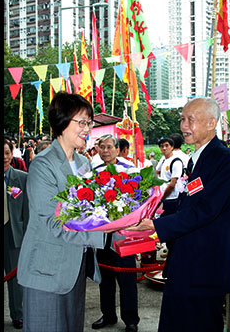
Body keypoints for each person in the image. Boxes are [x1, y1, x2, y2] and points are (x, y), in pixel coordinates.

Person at [127, 97, 230, 332]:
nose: (183, 126)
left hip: (206, 264)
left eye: (191, 119)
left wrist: (157, 226)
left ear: (211, 123)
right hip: (187, 258)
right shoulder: (196, 159)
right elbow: (189, 204)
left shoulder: (224, 159)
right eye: (182, 119)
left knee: (200, 323)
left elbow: (206, 210)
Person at [17, 92, 106, 332]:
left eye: (90, 122)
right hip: (46, 272)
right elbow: (53, 223)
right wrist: (105, 232)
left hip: (74, 269)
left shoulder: (84, 164)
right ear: (62, 121)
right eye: (83, 122)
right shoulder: (43, 165)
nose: (88, 128)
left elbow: (92, 211)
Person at [91, 134, 139, 332]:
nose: (105, 151)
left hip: (123, 234)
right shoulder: (94, 172)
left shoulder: (130, 170)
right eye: (102, 147)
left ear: (118, 150)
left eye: (109, 147)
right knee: (105, 278)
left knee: (127, 279)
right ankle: (108, 314)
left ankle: (131, 320)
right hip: (102, 235)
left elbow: (140, 200)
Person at [4, 139, 30, 329]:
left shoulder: (22, 178)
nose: (4, 158)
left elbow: (27, 211)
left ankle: (17, 314)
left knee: (14, 278)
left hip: (13, 233)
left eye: (6, 152)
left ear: (12, 154)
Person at [156, 137, 185, 217]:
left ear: (172, 147)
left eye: (166, 145)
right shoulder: (164, 160)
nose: (164, 148)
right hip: (163, 196)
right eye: (162, 146)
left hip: (171, 198)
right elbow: (157, 171)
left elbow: (172, 184)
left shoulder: (176, 162)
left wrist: (162, 198)